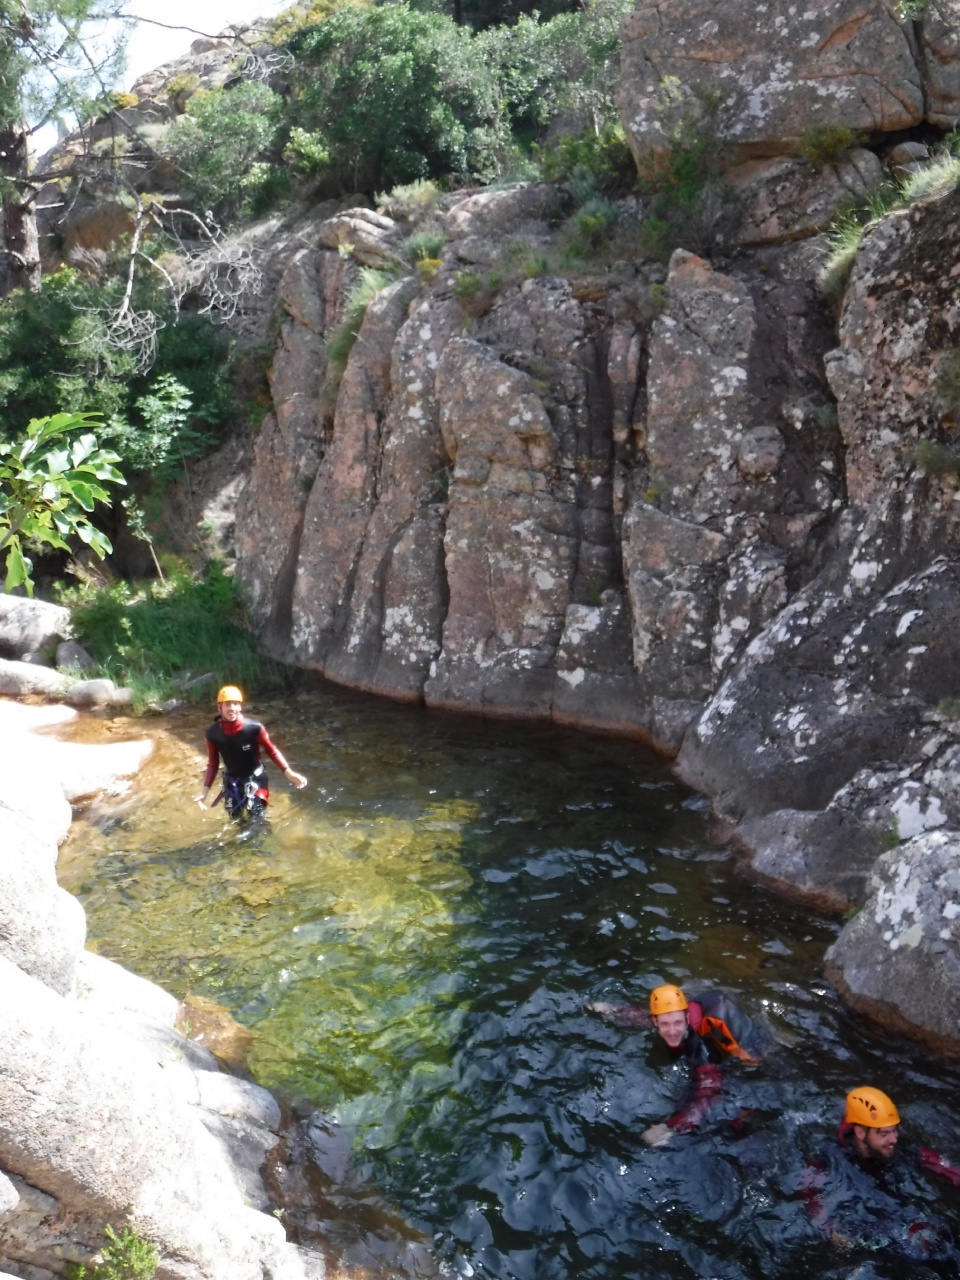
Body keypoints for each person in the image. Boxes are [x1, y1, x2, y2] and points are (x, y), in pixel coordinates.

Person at [801, 1086, 960, 1269]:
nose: (893, 1139)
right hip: (874, 1230)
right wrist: (829, 1229)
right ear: (860, 1133)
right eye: (883, 1134)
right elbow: (809, 1193)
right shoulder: (828, 1158)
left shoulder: (902, 1149)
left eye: (894, 1131)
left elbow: (944, 1168)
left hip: (913, 1223)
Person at [589, 983, 766, 1145]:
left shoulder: (698, 1044)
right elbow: (647, 1017)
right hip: (746, 1044)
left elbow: (709, 1088)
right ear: (655, 1022)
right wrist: (613, 1012)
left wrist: (671, 1127)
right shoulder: (685, 1012)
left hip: (755, 1071)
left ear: (687, 1019)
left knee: (730, 1129)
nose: (672, 1032)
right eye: (665, 1025)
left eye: (678, 1023)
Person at [196, 685, 307, 821]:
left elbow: (272, 751)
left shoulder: (253, 728)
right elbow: (213, 764)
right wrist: (205, 790)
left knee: (257, 822)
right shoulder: (212, 734)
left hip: (256, 781)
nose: (232, 708)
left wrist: (288, 773)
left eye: (235, 704)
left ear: (240, 707)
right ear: (219, 707)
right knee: (236, 821)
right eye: (227, 704)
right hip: (232, 783)